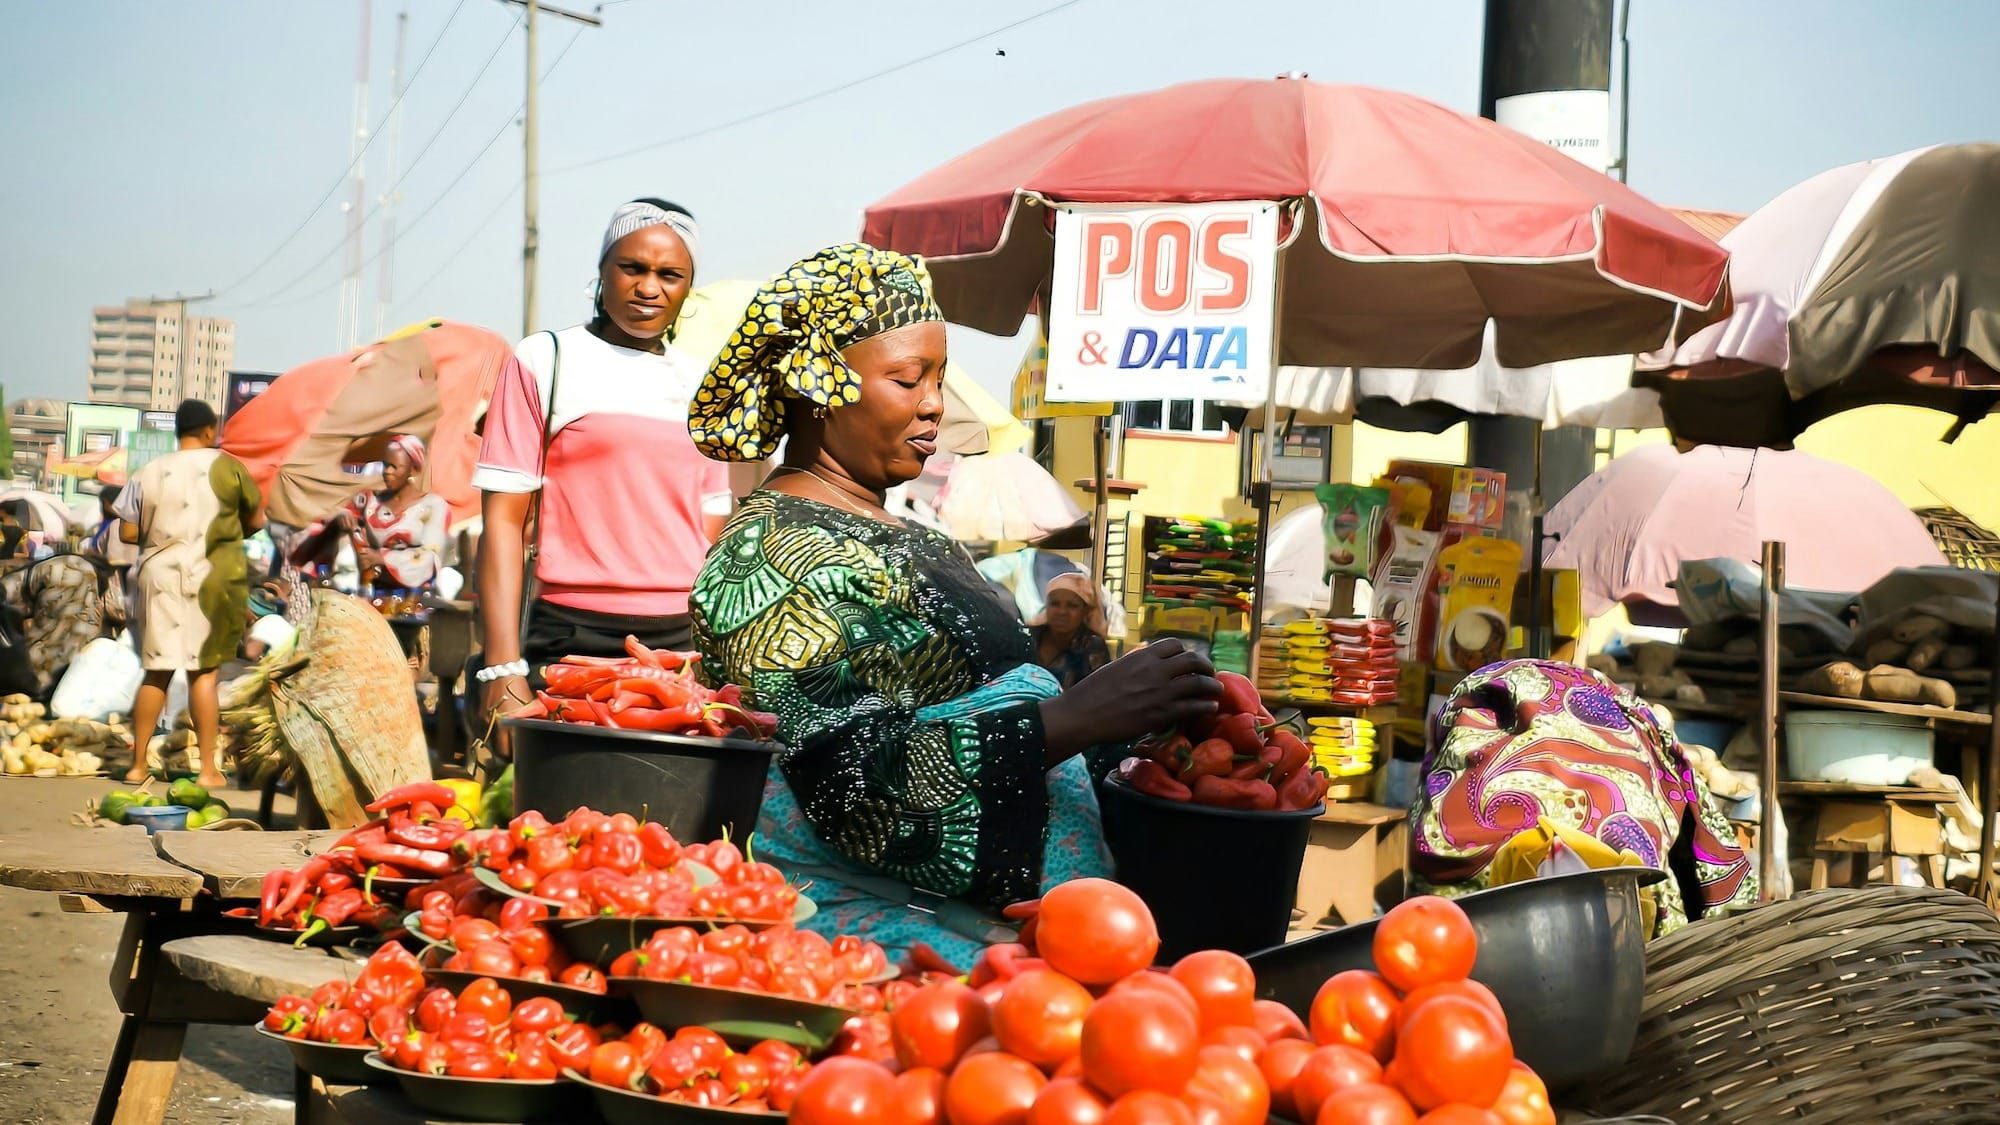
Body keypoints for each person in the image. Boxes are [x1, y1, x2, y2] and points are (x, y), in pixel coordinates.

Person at [687, 244, 1221, 964]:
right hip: (908, 955)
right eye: (907, 379)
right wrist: (1076, 715)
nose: (936, 402)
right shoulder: (769, 560)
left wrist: (1152, 727)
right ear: (817, 389)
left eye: (938, 378)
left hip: (1039, 931)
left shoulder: (907, 530)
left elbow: (990, 698)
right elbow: (853, 790)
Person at [474, 198, 732, 726]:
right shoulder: (547, 360)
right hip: (570, 635)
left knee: (661, 807)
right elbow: (502, 523)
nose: (648, 287)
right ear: (601, 271)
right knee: (552, 807)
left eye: (670, 275)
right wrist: (501, 668)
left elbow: (710, 533)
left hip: (678, 646)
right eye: (632, 267)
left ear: (688, 288)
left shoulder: (703, 382)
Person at [1409, 659, 1758, 937]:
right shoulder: (1636, 743)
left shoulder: (1455, 803)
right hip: (1626, 943)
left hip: (1470, 956)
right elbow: (1712, 879)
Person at [114, 399, 263, 787]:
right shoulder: (228, 466)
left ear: (178, 431)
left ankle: (137, 766)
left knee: (158, 669)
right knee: (204, 672)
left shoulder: (149, 470)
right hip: (210, 577)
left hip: (159, 577)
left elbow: (127, 533)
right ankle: (209, 771)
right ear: (210, 431)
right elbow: (256, 520)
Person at [292, 433, 448, 590]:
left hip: (410, 599)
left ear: (413, 470)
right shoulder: (368, 501)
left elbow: (429, 555)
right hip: (366, 592)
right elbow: (325, 532)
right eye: (385, 465)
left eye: (395, 466)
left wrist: (382, 558)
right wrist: (338, 520)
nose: (387, 471)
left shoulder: (433, 507)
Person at [1029, 572, 1113, 689]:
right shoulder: (1028, 637)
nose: (1062, 612)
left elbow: (1097, 693)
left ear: (1085, 611)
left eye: (1072, 606)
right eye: (1055, 604)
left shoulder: (1092, 646)